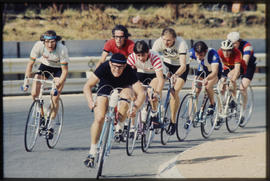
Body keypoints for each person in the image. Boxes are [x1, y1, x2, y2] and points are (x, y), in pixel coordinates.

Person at [83, 53, 145, 168]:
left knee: (127, 95)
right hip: (105, 87)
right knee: (99, 118)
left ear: (125, 66)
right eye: (114, 66)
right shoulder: (104, 67)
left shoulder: (129, 71)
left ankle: (120, 126)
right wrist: (90, 101)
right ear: (110, 63)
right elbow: (87, 86)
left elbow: (141, 92)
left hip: (124, 88)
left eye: (120, 67)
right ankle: (92, 152)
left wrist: (135, 108)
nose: (117, 69)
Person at [23, 30, 69, 121]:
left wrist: (59, 83)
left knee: (55, 97)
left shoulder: (62, 49)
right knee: (34, 93)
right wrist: (26, 82)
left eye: (52, 42)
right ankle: (42, 114)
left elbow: (65, 71)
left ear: (56, 41)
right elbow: (30, 64)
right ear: (43, 42)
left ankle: (50, 122)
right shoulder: (38, 46)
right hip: (45, 66)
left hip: (59, 69)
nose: (49, 45)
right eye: (47, 42)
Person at [151, 27, 190, 135]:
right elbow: (153, 59)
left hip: (181, 67)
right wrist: (163, 71)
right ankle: (155, 114)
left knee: (174, 92)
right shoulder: (158, 43)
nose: (166, 42)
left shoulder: (181, 44)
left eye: (169, 40)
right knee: (155, 85)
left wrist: (176, 75)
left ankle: (173, 121)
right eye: (164, 40)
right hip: (167, 64)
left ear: (174, 39)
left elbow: (183, 66)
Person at [127, 40, 165, 128]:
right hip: (141, 72)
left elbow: (160, 79)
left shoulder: (155, 57)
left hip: (155, 74)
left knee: (151, 93)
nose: (140, 58)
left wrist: (157, 93)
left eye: (143, 55)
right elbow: (129, 76)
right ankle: (132, 126)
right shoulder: (132, 57)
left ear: (148, 52)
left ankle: (154, 114)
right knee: (134, 95)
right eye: (138, 55)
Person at [227, 32, 256, 122]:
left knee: (243, 88)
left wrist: (236, 71)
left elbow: (245, 62)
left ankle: (242, 112)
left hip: (247, 66)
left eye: (235, 43)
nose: (233, 45)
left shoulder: (247, 46)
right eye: (231, 43)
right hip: (235, 64)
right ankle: (234, 100)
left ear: (239, 41)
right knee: (229, 80)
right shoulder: (228, 45)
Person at [189, 41, 223, 117]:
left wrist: (207, 79)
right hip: (203, 70)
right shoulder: (192, 52)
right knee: (194, 91)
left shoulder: (213, 54)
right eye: (197, 54)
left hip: (214, 72)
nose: (198, 57)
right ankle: (191, 116)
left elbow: (214, 72)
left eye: (201, 55)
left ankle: (212, 104)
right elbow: (184, 63)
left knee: (208, 87)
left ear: (206, 51)